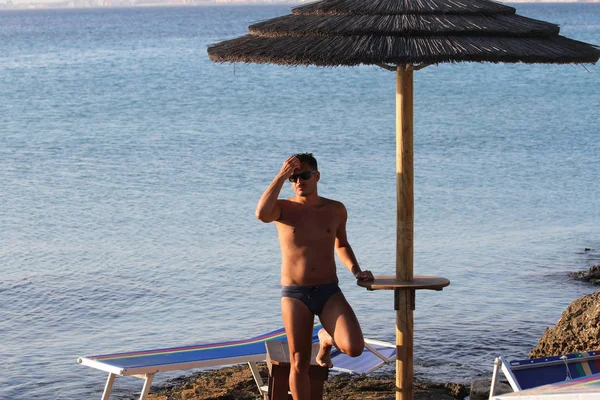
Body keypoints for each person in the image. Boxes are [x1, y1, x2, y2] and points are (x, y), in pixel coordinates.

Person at [255, 153, 374, 400]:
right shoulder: (283, 209)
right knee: (299, 361)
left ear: (317, 176)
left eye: (304, 175)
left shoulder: (335, 209)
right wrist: (280, 175)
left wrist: (356, 271)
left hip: (329, 290)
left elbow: (341, 244)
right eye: (294, 177)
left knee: (354, 347)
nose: (299, 181)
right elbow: (261, 214)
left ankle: (326, 338)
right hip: (295, 294)